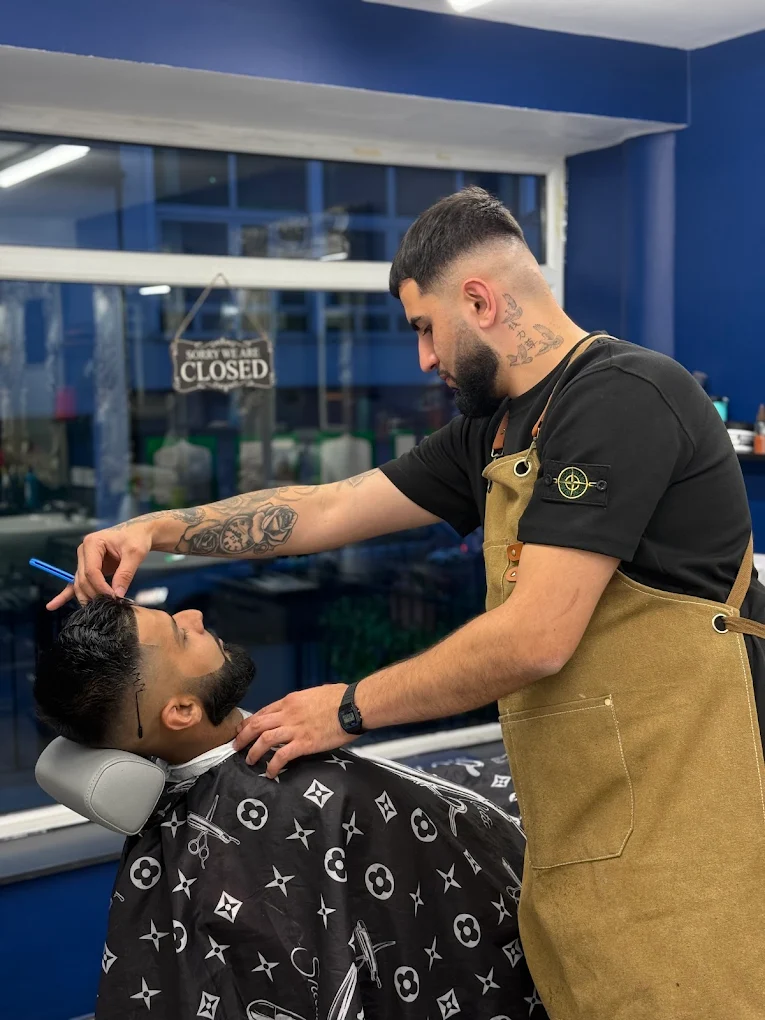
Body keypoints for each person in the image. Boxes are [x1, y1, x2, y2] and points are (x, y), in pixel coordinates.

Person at [47, 187, 765, 1019]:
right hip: (579, 810)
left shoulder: (622, 397)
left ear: (480, 300)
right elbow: (327, 508)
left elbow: (536, 637)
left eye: (424, 329)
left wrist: (347, 709)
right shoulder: (494, 432)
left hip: (682, 813)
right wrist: (156, 527)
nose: (422, 359)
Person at [34, 596, 544, 1020]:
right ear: (183, 711)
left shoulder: (171, 817)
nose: (194, 617)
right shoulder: (302, 803)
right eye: (179, 634)